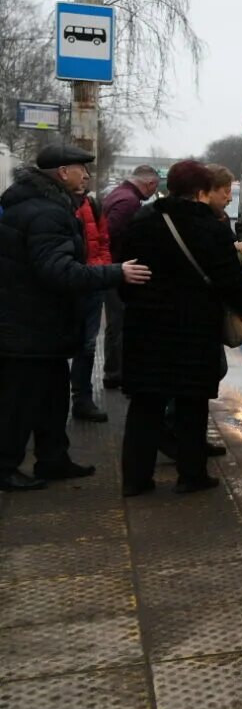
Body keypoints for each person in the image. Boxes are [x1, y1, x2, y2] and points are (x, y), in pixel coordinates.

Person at [0, 144, 151, 491]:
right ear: (62, 173)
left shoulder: (40, 205)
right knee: (20, 402)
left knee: (52, 398)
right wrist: (114, 273)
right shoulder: (46, 213)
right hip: (29, 327)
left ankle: (53, 460)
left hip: (39, 326)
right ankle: (5, 466)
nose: (86, 175)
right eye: (81, 169)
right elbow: (58, 271)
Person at [118, 159, 242, 497]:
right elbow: (229, 280)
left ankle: (136, 480)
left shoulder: (142, 221)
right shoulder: (211, 228)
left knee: (145, 405)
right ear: (200, 191)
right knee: (191, 405)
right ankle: (191, 475)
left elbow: (123, 274)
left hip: (146, 329)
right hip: (194, 331)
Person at [101, 164, 160, 390]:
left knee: (114, 325)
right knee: (120, 324)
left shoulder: (118, 194)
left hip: (112, 268)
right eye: (154, 190)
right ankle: (117, 373)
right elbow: (109, 233)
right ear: (150, 184)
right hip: (118, 270)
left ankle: (113, 371)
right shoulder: (129, 202)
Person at [70, 187, 113, 422]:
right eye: (80, 170)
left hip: (91, 284)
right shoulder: (53, 203)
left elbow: (104, 240)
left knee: (87, 345)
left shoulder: (93, 204)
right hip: (64, 283)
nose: (85, 177)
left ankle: (82, 400)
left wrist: (100, 268)